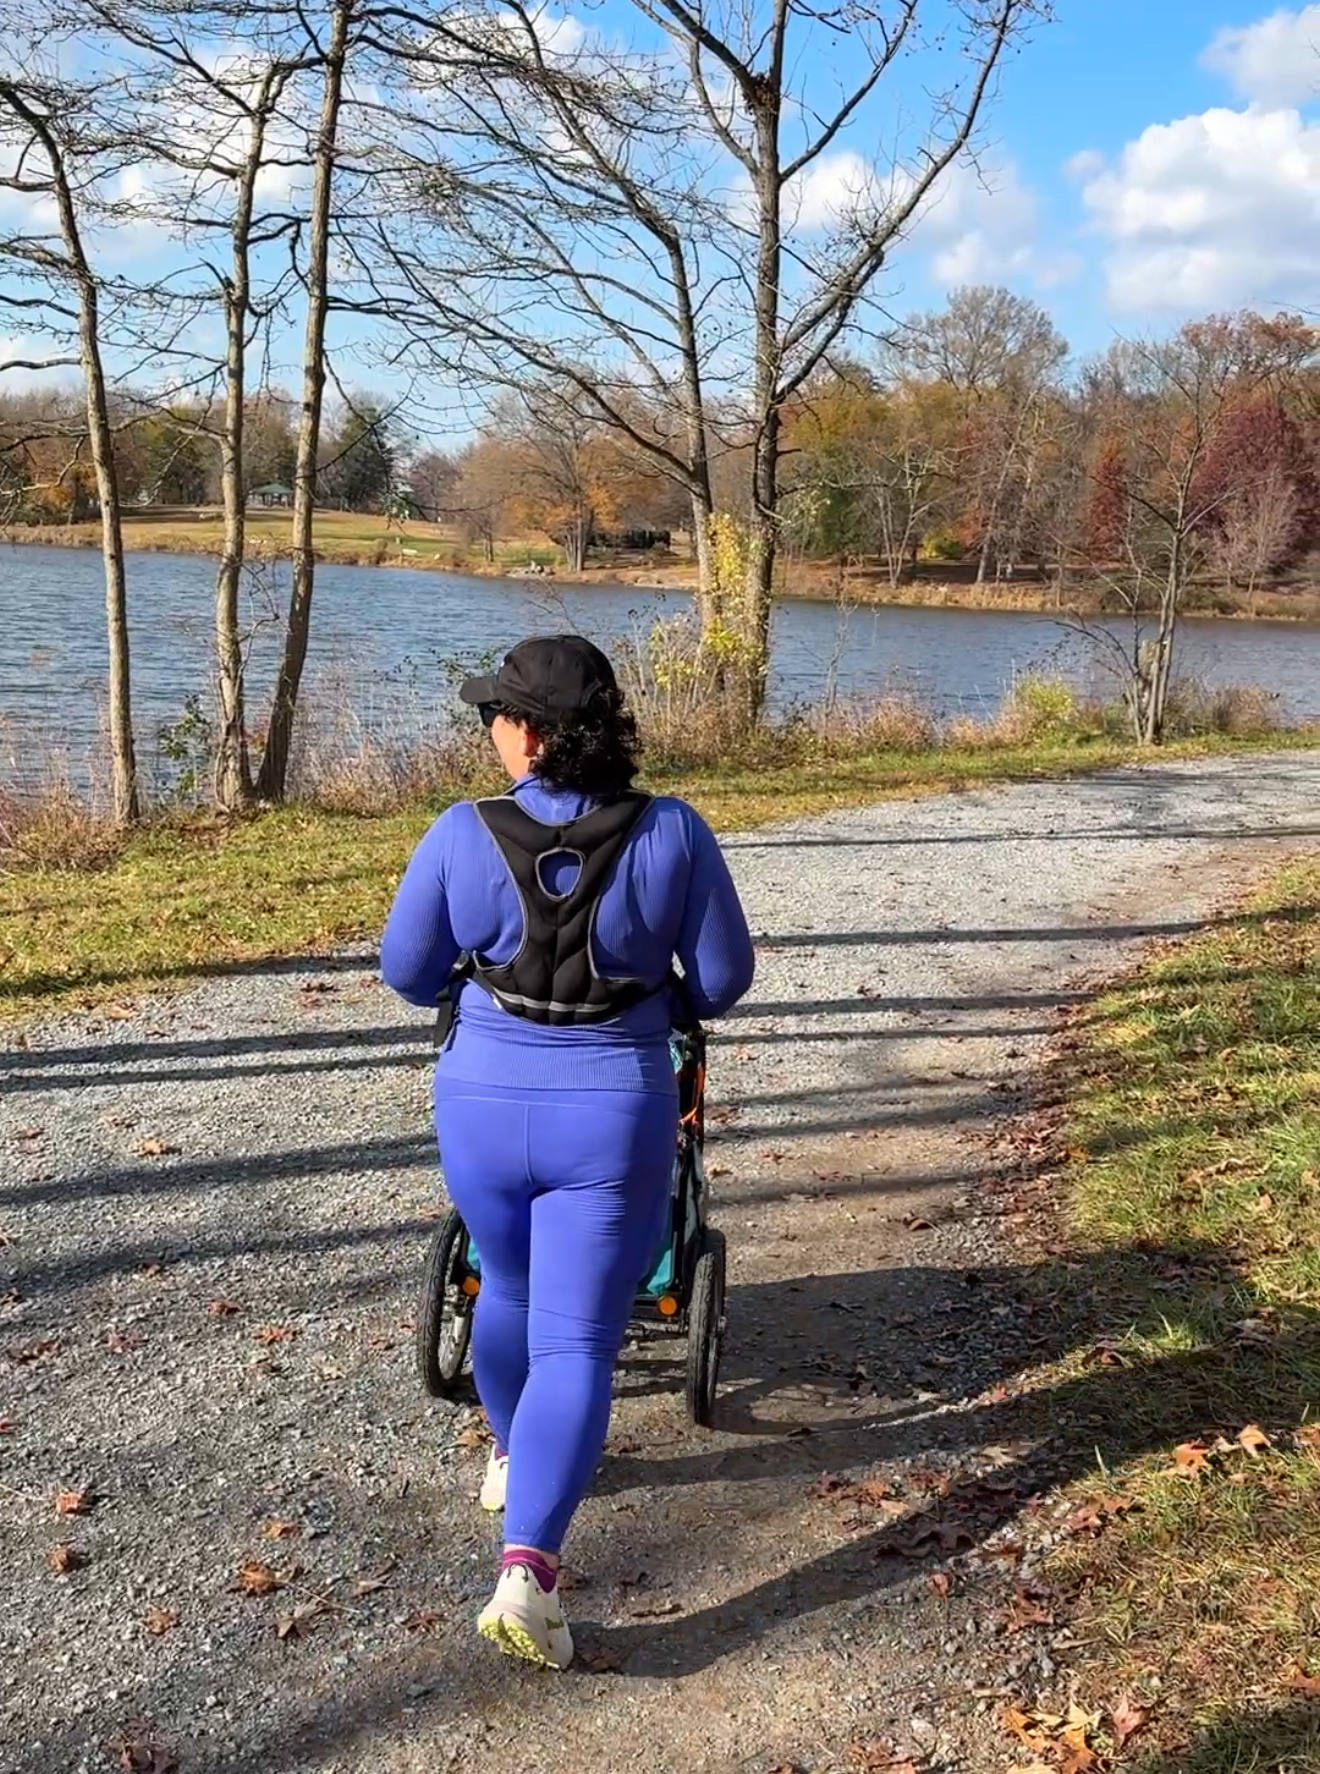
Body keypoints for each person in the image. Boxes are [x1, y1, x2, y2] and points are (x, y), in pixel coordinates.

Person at [379, 634, 755, 1670]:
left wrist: (480, 990)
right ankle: (529, 1572)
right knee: (580, 1340)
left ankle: (513, 1452)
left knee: (504, 1284)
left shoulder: (460, 833)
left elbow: (407, 970)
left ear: (532, 733)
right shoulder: (675, 832)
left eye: (495, 713)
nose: (488, 728)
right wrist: (655, 1004)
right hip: (614, 1104)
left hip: (484, 1105)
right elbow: (722, 978)